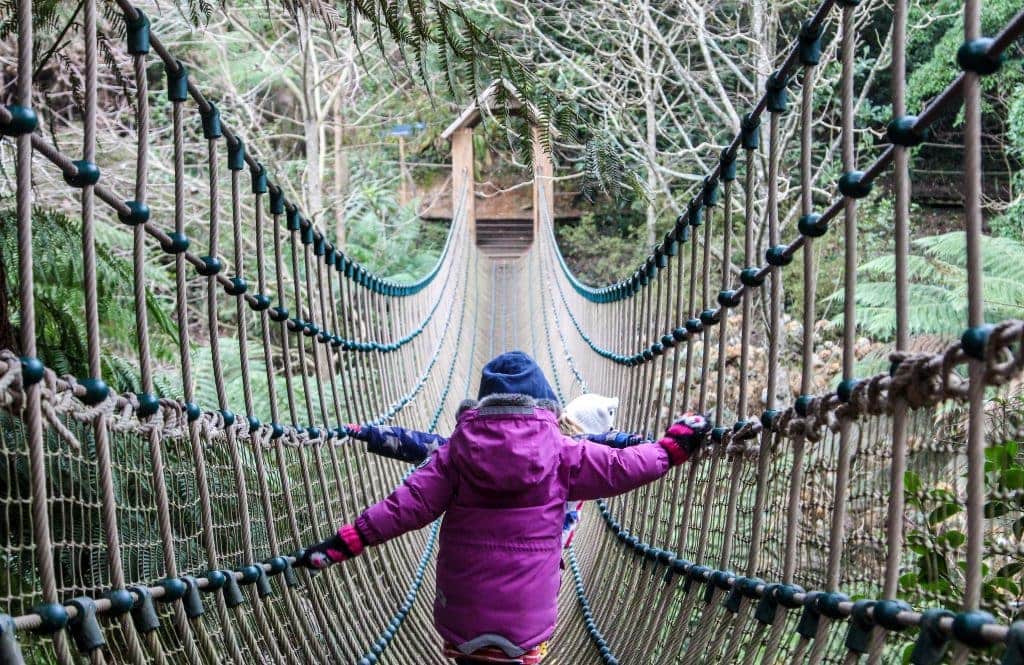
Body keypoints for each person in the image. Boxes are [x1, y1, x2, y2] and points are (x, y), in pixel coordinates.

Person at [300, 351, 710, 664]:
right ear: (547, 408)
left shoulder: (453, 454)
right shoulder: (564, 451)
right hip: (526, 627)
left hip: (460, 622)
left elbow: (403, 507)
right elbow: (623, 467)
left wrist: (346, 540)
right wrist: (670, 450)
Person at [345, 392, 649, 551]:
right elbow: (617, 466)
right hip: (533, 571)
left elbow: (422, 446)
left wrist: (370, 434)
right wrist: (652, 448)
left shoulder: (469, 451)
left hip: (470, 563)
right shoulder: (575, 461)